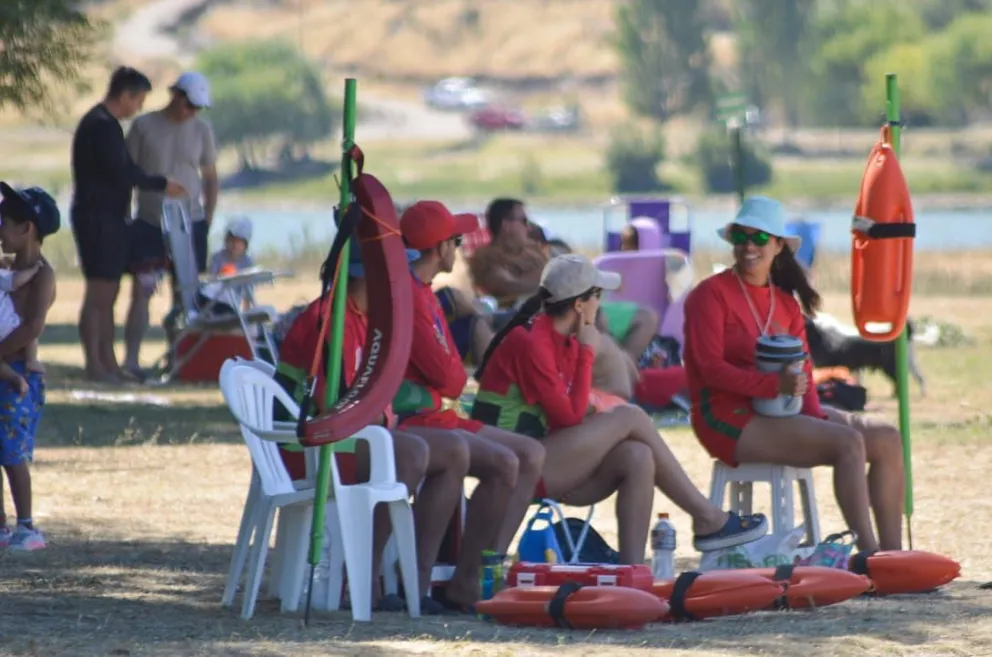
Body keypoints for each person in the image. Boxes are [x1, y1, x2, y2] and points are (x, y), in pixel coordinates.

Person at [472, 253, 769, 560]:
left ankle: (632, 571)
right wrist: (588, 354)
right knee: (631, 416)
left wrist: (586, 367)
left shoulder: (565, 340)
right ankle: (707, 518)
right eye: (598, 296)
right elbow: (569, 417)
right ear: (579, 304)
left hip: (547, 457)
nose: (600, 305)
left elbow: (573, 408)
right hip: (515, 466)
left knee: (637, 456)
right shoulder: (534, 342)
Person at [682, 196, 905, 553]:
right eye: (741, 237)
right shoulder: (709, 295)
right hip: (725, 417)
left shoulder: (785, 303)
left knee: (886, 437)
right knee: (846, 443)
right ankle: (869, 556)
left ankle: (895, 558)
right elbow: (708, 369)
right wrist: (774, 386)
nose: (749, 247)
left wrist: (815, 416)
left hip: (781, 410)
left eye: (759, 238)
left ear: (778, 245)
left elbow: (803, 370)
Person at [272, 244, 468, 614]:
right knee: (412, 454)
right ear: (368, 277)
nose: (400, 283)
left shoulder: (367, 318)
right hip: (308, 446)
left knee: (454, 450)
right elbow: (333, 408)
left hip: (348, 438)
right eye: (392, 274)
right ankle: (362, 576)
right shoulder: (328, 319)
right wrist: (383, 421)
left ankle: (418, 582)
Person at [399, 201, 545, 610]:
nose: (459, 248)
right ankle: (443, 579)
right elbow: (452, 379)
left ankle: (480, 574)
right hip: (417, 419)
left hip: (438, 414)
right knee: (505, 462)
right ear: (439, 248)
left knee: (530, 453)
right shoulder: (413, 297)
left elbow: (451, 375)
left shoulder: (425, 293)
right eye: (456, 240)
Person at [70, 66, 186, 383]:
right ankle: (95, 364)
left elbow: (126, 168)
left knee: (110, 293)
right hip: (98, 219)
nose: (139, 108)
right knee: (99, 295)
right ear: (125, 95)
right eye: (139, 100)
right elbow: (122, 173)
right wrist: (161, 182)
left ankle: (108, 363)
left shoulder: (107, 126)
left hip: (111, 219)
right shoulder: (101, 126)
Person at [123, 71, 219, 380]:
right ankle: (132, 361)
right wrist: (125, 216)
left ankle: (180, 359)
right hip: (150, 223)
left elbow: (211, 177)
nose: (192, 112)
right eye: (189, 105)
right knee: (142, 290)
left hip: (191, 221)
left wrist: (208, 217)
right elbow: (127, 173)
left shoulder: (202, 130)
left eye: (197, 108)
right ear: (176, 96)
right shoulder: (143, 127)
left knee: (186, 295)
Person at [0, 184, 59, 551]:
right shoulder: (5, 270)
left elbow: (33, 325)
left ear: (28, 229)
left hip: (20, 373)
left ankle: (27, 527)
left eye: (4, 222)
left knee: (11, 452)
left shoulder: (43, 275)